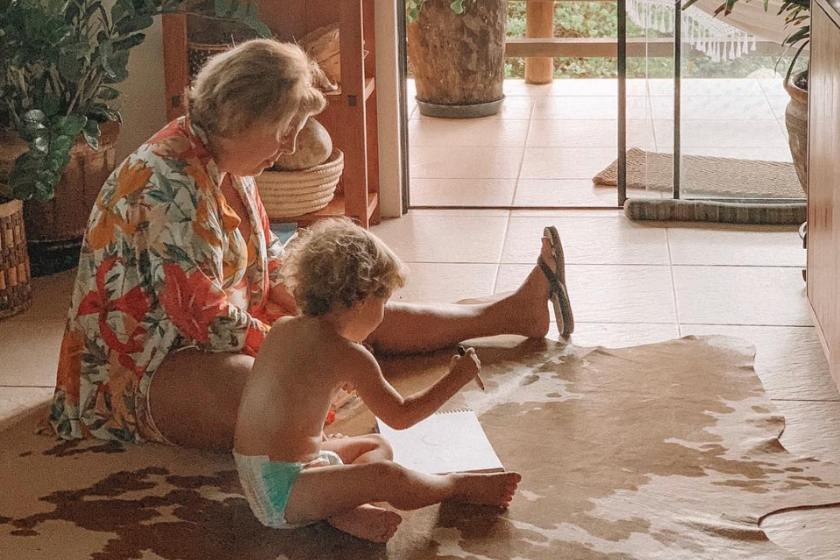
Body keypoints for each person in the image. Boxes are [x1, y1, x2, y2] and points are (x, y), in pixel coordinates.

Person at [49, 38, 572, 449]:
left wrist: (313, 312)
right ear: (244, 120)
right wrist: (312, 345)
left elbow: (265, 265)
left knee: (360, 302)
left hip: (230, 331)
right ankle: (319, 444)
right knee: (265, 388)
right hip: (148, 366)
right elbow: (208, 323)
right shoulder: (163, 185)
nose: (291, 146)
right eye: (284, 131)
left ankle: (512, 314)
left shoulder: (228, 159)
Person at [233, 218, 521, 543]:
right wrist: (456, 378)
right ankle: (457, 486)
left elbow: (283, 397)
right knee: (388, 476)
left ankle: (342, 509)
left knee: (376, 445)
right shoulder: (349, 355)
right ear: (361, 299)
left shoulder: (283, 327)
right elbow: (402, 415)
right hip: (285, 493)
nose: (384, 313)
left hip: (255, 473)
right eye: (383, 303)